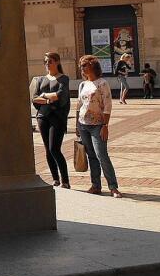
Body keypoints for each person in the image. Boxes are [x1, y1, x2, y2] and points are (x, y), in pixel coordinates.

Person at [75, 55, 121, 198]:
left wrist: (105, 125)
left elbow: (107, 105)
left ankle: (113, 187)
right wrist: (77, 124)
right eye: (81, 66)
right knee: (91, 156)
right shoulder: (83, 85)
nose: (82, 68)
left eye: (84, 65)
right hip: (83, 125)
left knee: (102, 155)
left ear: (93, 66)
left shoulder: (102, 83)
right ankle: (96, 186)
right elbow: (79, 104)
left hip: (98, 125)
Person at [31, 52, 71, 189]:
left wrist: (45, 98)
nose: (48, 64)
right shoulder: (41, 79)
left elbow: (61, 96)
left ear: (57, 62)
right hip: (42, 117)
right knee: (48, 149)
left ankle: (65, 180)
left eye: (51, 61)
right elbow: (34, 98)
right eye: (46, 62)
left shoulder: (63, 79)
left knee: (55, 148)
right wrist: (49, 99)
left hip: (57, 117)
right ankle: (55, 179)